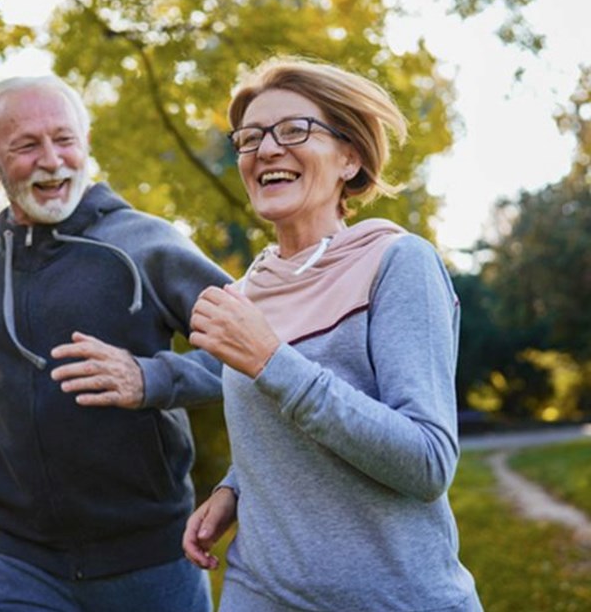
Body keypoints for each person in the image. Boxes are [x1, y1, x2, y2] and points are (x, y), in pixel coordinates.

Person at [182, 57, 482, 611]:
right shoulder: (246, 291)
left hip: (394, 599)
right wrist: (235, 488)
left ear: (350, 157)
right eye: (249, 139)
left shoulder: (397, 263)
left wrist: (273, 361)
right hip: (259, 593)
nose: (266, 150)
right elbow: (282, 429)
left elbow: (427, 461)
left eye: (294, 130)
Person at [0, 75, 231, 611]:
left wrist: (151, 378)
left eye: (64, 139)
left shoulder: (146, 245)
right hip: (21, 566)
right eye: (26, 146)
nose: (52, 160)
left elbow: (255, 353)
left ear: (86, 143)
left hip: (150, 560)